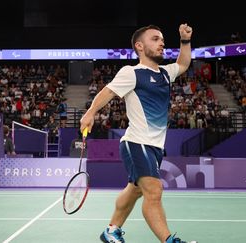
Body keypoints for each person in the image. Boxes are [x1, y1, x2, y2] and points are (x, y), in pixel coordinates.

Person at [80, 24, 195, 243]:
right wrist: (90, 112)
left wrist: (185, 41)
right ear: (139, 46)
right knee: (154, 190)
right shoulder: (131, 72)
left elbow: (183, 63)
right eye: (155, 39)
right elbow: (108, 92)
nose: (162, 43)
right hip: (137, 142)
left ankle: (111, 231)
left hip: (155, 146)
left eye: (162, 39)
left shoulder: (164, 73)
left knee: (135, 190)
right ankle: (169, 241)